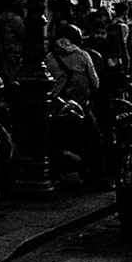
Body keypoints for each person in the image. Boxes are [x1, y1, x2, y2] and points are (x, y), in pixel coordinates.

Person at [45, 25, 107, 188]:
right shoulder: (83, 55)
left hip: (56, 107)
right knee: (96, 140)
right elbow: (95, 84)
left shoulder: (50, 57)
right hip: (79, 108)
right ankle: (97, 179)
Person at [0, 0, 27, 81]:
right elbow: (25, 35)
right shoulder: (17, 21)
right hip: (14, 52)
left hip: (2, 51)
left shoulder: (2, 18)